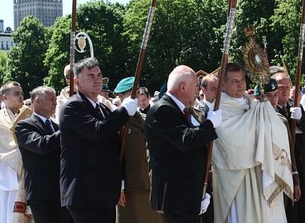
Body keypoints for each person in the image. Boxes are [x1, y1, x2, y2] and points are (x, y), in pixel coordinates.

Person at [59, 57, 138, 223]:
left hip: (103, 191)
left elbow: (113, 145)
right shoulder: (73, 107)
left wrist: (120, 181)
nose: (97, 80)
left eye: (99, 75)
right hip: (84, 192)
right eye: (91, 76)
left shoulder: (101, 108)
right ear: (77, 81)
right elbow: (98, 131)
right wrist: (123, 111)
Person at [212, 63, 293, 223]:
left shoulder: (254, 105)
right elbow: (230, 140)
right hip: (238, 183)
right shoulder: (219, 110)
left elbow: (278, 130)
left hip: (263, 173)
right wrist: (258, 124)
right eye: (235, 81)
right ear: (223, 84)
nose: (241, 84)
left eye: (242, 79)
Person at [145, 65, 220, 222]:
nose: (197, 92)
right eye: (196, 87)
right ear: (183, 87)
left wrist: (201, 188)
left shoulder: (179, 110)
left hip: (187, 193)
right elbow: (187, 141)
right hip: (176, 195)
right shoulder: (163, 110)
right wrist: (210, 124)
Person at [14, 86, 71, 223]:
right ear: (38, 101)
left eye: (56, 99)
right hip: (42, 193)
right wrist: (67, 130)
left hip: (61, 192)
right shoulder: (24, 126)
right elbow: (41, 145)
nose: (55, 103)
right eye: (51, 99)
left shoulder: (57, 127)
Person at [0, 81, 32, 223]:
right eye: (16, 94)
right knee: (4, 216)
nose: (21, 97)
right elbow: (7, 154)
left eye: (21, 93)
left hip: (23, 179)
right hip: (5, 182)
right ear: (5, 98)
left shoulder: (27, 118)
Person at [272, 70, 305, 223]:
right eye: (280, 87)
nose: (284, 90)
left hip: (304, 172)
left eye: (287, 86)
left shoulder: (296, 107)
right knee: (291, 215)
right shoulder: (272, 110)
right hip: (285, 169)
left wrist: (300, 119)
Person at [113, 77, 160, 223]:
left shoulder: (146, 118)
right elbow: (115, 156)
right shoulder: (118, 122)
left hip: (150, 181)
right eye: (126, 96)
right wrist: (118, 186)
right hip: (131, 186)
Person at [254, 78, 302, 223]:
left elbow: (289, 152)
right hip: (258, 176)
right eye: (269, 95)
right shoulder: (251, 119)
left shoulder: (282, 120)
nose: (273, 99)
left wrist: (295, 179)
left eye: (275, 95)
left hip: (279, 173)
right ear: (259, 97)